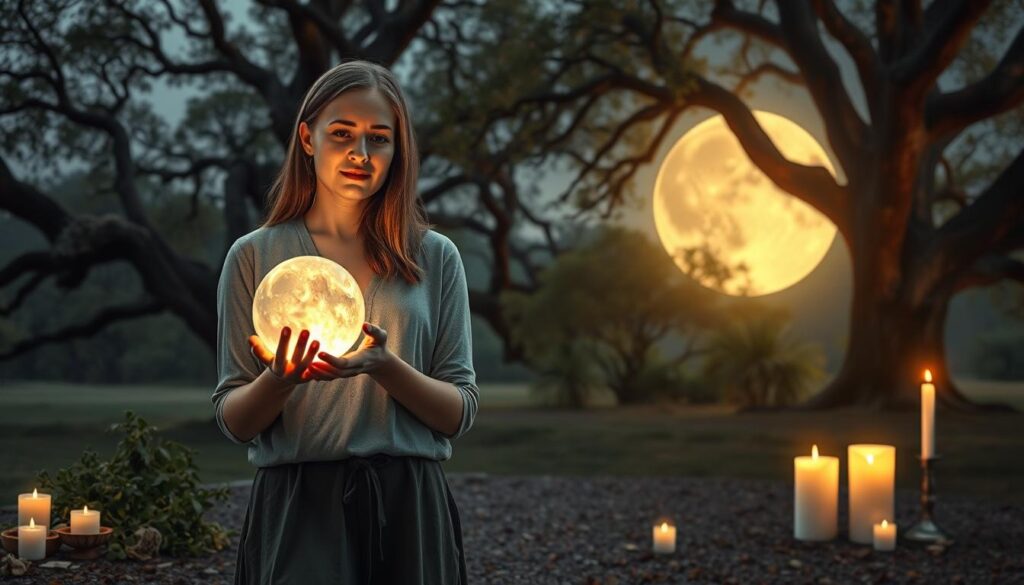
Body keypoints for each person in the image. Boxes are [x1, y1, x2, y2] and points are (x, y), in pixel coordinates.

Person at [212, 59, 478, 584]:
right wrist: (280, 379)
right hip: (298, 504)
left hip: (409, 501)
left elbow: (459, 413)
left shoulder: (434, 256)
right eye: (342, 133)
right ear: (307, 138)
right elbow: (235, 419)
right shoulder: (255, 258)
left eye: (379, 138)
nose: (361, 153)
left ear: (397, 151)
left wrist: (384, 365)